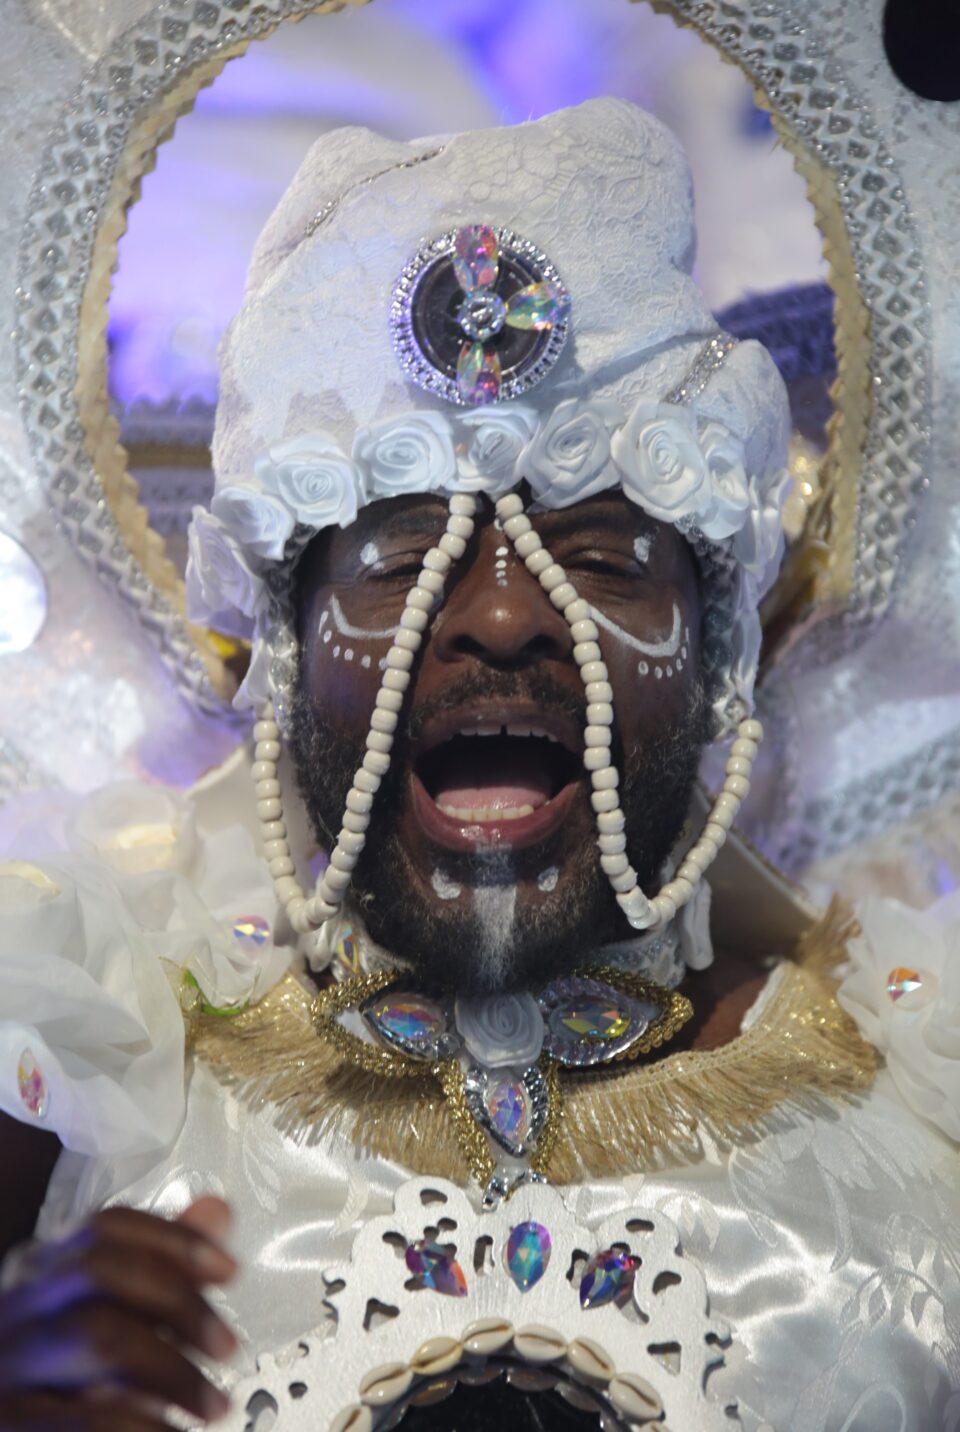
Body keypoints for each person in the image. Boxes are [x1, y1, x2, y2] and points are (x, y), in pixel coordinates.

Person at [1, 98, 957, 1432]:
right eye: (403, 555)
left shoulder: (922, 1129)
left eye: (602, 558)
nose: (503, 616)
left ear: (716, 658)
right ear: (285, 652)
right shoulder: (94, 1100)